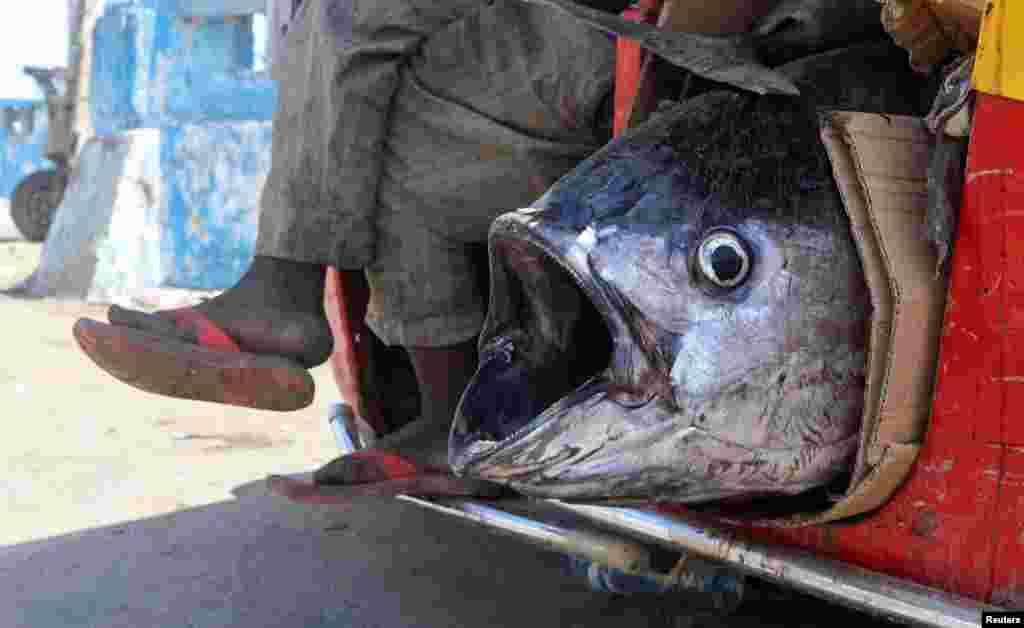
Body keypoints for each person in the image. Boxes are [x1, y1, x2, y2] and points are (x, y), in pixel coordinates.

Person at [73, 0, 628, 497]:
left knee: (353, 26)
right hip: (574, 26)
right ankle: (451, 417)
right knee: (372, 96)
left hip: (624, 31)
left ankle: (286, 293)